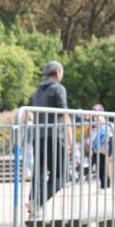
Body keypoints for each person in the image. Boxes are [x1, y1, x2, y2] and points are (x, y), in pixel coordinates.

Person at [30, 61, 72, 212]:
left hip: (38, 136)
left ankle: (33, 203)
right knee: (61, 175)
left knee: (39, 172)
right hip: (55, 136)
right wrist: (70, 138)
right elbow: (64, 115)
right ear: (58, 73)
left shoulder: (37, 91)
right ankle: (37, 203)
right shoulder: (59, 88)